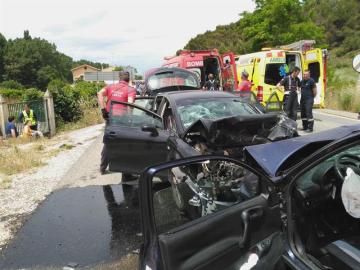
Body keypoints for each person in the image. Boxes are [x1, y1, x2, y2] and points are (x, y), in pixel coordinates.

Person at [97, 71, 136, 175]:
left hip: (110, 117)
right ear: (128, 79)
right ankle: (126, 170)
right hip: (122, 118)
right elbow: (130, 104)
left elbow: (99, 93)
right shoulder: (130, 89)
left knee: (108, 141)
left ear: (119, 78)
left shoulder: (110, 87)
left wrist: (103, 110)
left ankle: (102, 167)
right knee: (125, 141)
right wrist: (130, 118)